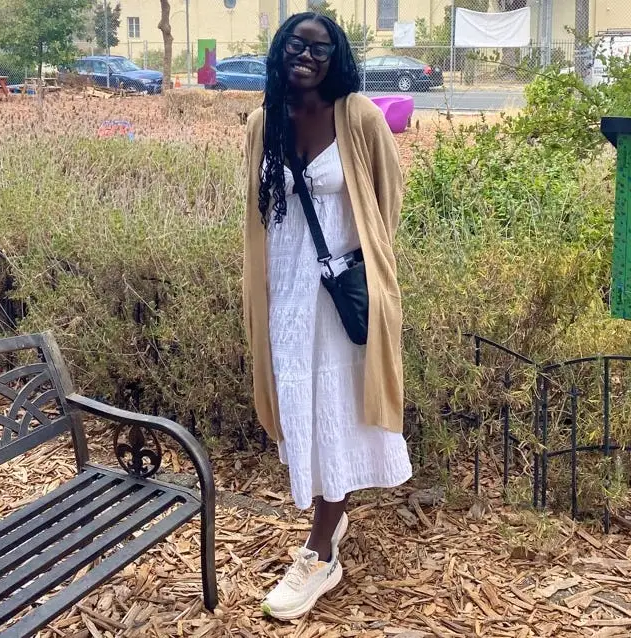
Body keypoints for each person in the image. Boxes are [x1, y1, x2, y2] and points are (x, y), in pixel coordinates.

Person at [242, 11, 413, 620]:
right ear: (280, 52)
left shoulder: (359, 117)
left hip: (339, 297)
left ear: (335, 57)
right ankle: (328, 518)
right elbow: (259, 216)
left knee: (336, 408)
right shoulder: (265, 122)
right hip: (286, 297)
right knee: (304, 411)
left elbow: (385, 206)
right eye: (296, 44)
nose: (306, 56)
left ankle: (320, 552)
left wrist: (363, 277)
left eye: (319, 48)